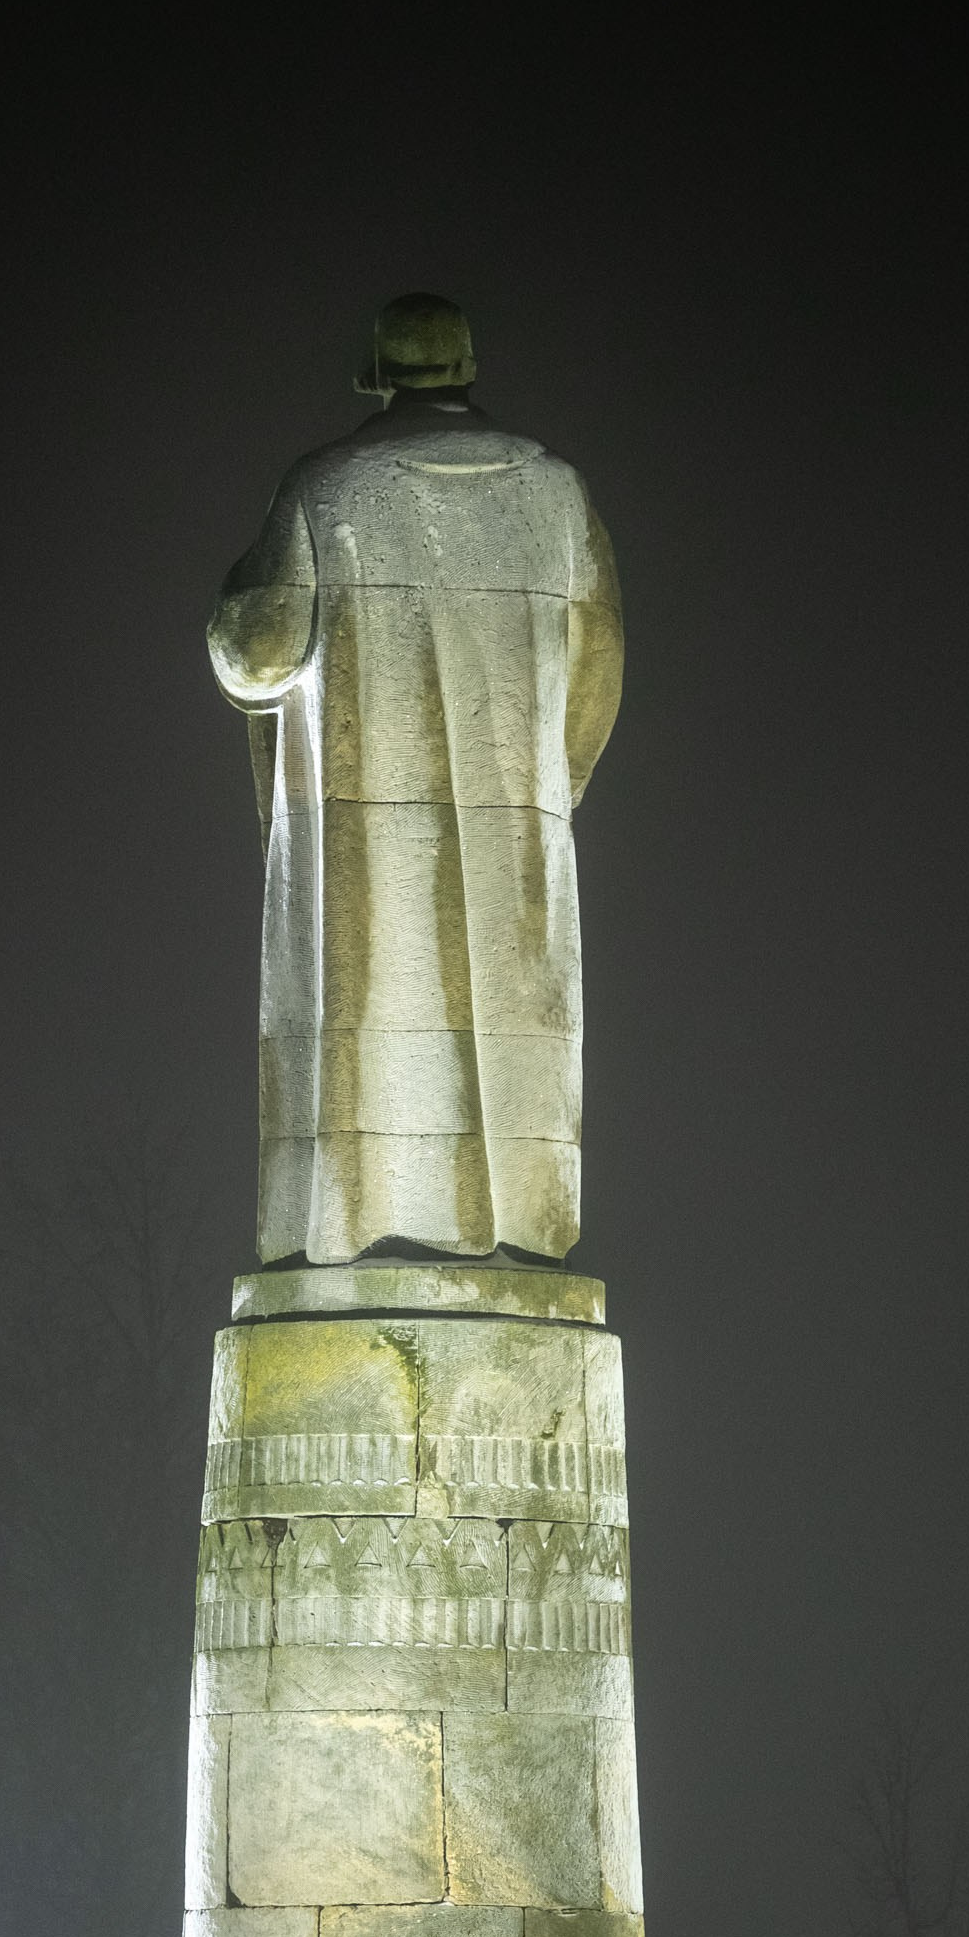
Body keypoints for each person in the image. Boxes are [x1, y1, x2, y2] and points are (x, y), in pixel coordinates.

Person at [207, 293, 623, 1267]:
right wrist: (537, 796)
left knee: (363, 1035)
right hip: (512, 838)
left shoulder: (329, 490)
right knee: (504, 1038)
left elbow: (252, 656)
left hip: (359, 855)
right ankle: (508, 1231)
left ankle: (353, 1236)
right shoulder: (555, 497)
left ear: (379, 374)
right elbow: (596, 668)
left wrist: (235, 590)